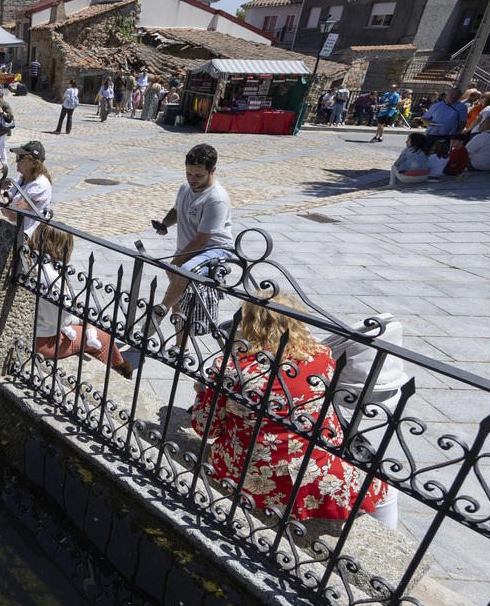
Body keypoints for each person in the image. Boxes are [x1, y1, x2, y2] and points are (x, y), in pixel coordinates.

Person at [191, 293, 395, 526]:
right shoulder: (322, 356)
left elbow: (206, 428)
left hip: (249, 473)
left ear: (246, 323)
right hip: (317, 469)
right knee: (388, 490)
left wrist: (202, 392)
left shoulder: (230, 367)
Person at [29, 223, 133, 378]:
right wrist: (81, 320)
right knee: (104, 338)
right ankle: (116, 371)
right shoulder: (51, 276)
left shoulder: (31, 257)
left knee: (96, 332)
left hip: (34, 331)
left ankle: (118, 365)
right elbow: (62, 320)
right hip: (42, 341)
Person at [152, 143, 234, 315]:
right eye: (188, 173)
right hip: (189, 247)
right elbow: (177, 209)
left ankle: (158, 313)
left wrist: (175, 263)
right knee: (178, 295)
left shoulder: (216, 199)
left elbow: (201, 241)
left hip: (213, 249)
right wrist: (165, 223)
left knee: (182, 272)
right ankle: (180, 342)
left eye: (198, 175)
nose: (191, 179)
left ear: (212, 170)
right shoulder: (185, 187)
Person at [2, 140, 53, 237]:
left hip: (28, 236)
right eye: (17, 158)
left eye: (21, 159)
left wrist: (1, 193)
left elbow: (14, 215)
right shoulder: (21, 177)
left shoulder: (40, 185)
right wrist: (6, 205)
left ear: (35, 163)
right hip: (16, 230)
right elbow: (5, 212)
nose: (17, 162)